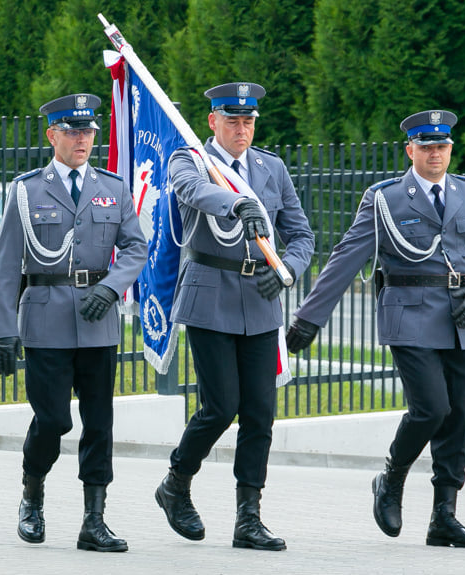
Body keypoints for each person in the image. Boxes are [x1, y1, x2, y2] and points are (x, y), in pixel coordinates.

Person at [286, 110, 465, 548]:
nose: (434, 154)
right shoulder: (386, 199)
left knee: (459, 417)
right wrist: (309, 317)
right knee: (431, 409)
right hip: (408, 315)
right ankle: (391, 478)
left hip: (460, 318)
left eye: (441, 146)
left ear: (450, 149)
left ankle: (444, 515)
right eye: (425, 147)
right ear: (410, 150)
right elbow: (346, 259)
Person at [154, 82, 314, 551]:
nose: (241, 128)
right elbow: (193, 192)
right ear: (212, 122)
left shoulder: (272, 167)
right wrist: (237, 202)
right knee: (221, 406)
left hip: (261, 299)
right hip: (210, 295)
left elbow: (302, 235)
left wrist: (287, 273)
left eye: (248, 121)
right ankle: (176, 483)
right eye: (232, 120)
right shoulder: (191, 160)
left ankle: (249, 516)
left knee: (260, 414)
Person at [0, 93, 147, 552]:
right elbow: (5, 267)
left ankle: (93, 521)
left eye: (90, 131)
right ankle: (32, 494)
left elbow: (136, 247)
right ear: (52, 135)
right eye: (74, 131)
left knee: (99, 423)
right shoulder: (27, 191)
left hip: (98, 323)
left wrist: (112, 286)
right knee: (54, 420)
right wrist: (3, 331)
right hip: (46, 321)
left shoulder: (113, 188)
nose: (84, 139)